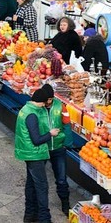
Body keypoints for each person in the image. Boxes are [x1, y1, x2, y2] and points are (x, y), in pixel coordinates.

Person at [15, 85, 61, 223]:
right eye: (44, 103)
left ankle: (29, 215)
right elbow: (36, 140)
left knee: (31, 185)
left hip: (28, 153)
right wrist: (50, 134)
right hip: (34, 154)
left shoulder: (26, 109)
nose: (44, 105)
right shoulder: (32, 114)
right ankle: (44, 218)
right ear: (40, 101)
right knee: (42, 187)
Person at [43, 85, 72, 215]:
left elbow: (67, 125)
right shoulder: (38, 107)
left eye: (50, 99)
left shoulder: (61, 106)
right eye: (46, 99)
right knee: (38, 179)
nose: (48, 102)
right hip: (42, 147)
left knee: (61, 179)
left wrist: (67, 143)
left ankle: (65, 203)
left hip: (58, 147)